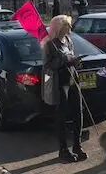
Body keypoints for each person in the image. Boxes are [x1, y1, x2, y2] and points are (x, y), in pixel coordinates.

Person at [42, 15, 87, 163]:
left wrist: (76, 62)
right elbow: (48, 66)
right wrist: (64, 60)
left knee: (78, 112)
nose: (70, 28)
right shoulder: (50, 44)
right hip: (60, 82)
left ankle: (77, 145)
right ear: (60, 28)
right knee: (61, 115)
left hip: (73, 80)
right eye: (68, 25)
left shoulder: (68, 40)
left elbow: (71, 57)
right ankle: (63, 149)